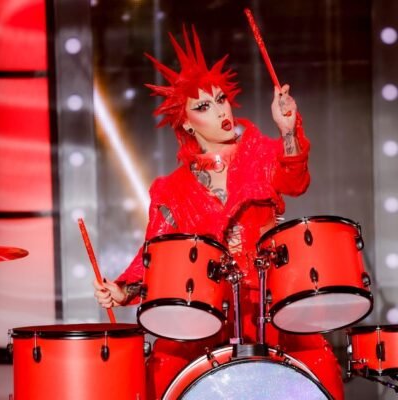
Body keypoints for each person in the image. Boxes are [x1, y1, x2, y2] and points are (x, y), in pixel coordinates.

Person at [94, 26, 344, 400]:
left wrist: (288, 131)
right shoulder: (171, 189)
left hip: (267, 300)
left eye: (221, 99)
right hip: (205, 308)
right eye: (203, 106)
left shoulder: (260, 154)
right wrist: (121, 289)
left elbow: (295, 180)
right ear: (185, 123)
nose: (221, 110)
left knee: (320, 365)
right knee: (162, 369)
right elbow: (156, 255)